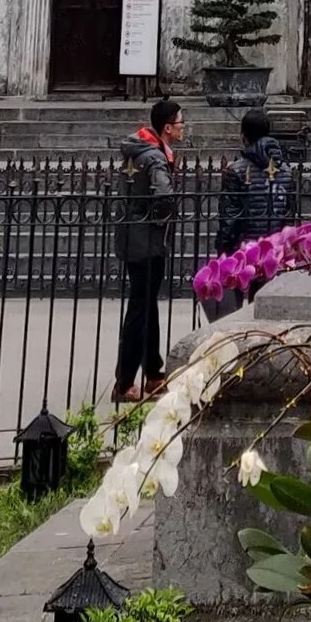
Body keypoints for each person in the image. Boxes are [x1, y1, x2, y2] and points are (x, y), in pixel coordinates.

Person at [111, 95, 183, 403]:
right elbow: (163, 196)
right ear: (167, 128)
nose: (184, 128)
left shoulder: (137, 151)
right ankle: (125, 381)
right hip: (148, 242)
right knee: (140, 310)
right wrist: (162, 221)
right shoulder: (154, 158)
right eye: (180, 123)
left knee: (146, 305)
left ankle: (153, 374)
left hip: (132, 236)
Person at [216, 110, 290, 266]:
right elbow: (289, 211)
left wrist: (224, 247)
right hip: (276, 248)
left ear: (243, 136)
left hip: (245, 249)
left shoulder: (236, 170)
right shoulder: (285, 170)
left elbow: (230, 216)